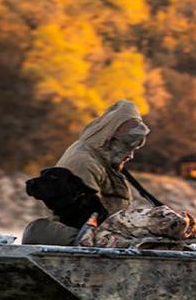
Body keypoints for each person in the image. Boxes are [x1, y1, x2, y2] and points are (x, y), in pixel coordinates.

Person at [22, 101, 151, 246]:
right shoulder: (84, 163)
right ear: (111, 140)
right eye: (127, 147)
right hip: (80, 238)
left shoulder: (102, 159)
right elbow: (76, 215)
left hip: (101, 234)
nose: (131, 156)